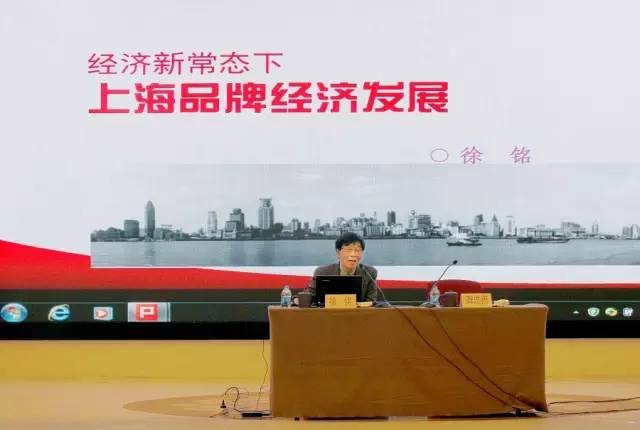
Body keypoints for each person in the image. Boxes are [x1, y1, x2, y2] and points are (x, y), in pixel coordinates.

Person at [310, 232, 378, 303]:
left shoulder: (369, 273)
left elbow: (371, 301)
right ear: (338, 252)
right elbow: (310, 297)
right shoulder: (322, 272)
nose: (353, 254)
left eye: (357, 250)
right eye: (348, 250)